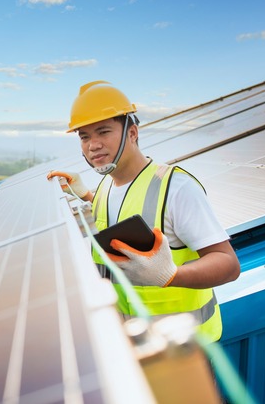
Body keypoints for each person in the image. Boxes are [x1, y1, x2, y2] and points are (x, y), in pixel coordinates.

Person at [47, 81, 240, 341]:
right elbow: (122, 215)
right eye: (84, 136)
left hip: (186, 352)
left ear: (132, 133)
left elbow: (228, 264)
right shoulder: (106, 186)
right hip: (135, 347)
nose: (93, 145)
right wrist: (85, 195)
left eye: (103, 132)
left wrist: (170, 276)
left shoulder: (175, 187)